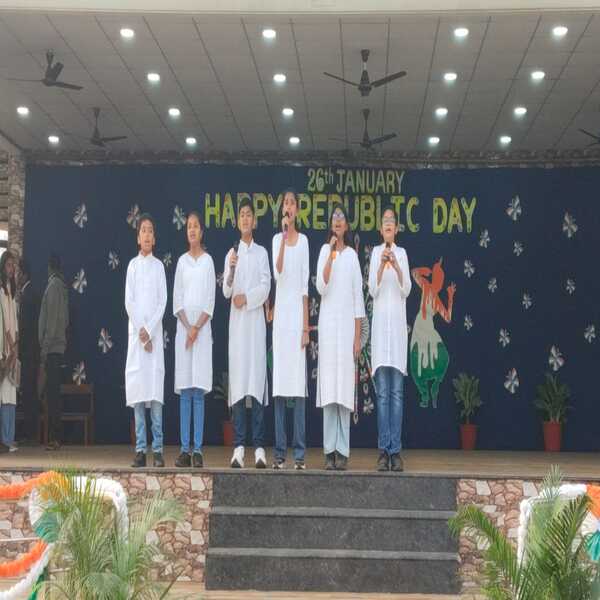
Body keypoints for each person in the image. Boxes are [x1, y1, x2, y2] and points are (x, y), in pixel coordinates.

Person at [316, 203, 365, 470]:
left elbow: (358, 299)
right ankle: (329, 450)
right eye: (333, 217)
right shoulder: (326, 251)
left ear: (346, 225)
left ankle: (342, 450)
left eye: (341, 217)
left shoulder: (353, 258)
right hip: (328, 330)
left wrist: (357, 338)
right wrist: (331, 256)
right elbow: (321, 286)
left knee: (344, 391)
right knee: (329, 390)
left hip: (346, 331)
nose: (337, 221)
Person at [223, 198, 271, 469]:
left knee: (256, 385)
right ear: (237, 220)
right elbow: (226, 291)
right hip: (238, 330)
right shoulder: (232, 253)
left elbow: (266, 287)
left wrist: (247, 298)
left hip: (255, 327)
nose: (245, 218)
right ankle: (239, 447)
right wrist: (231, 269)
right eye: (241, 214)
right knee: (240, 387)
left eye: (248, 214)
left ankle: (259, 447)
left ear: (254, 220)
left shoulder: (261, 253)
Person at [368, 206, 412, 472]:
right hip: (379, 335)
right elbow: (372, 290)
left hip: (396, 335)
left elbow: (406, 289)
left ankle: (396, 451)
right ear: (380, 228)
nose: (388, 224)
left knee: (396, 394)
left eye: (391, 221)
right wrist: (381, 266)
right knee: (383, 394)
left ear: (396, 228)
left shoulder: (402, 254)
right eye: (384, 220)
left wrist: (395, 265)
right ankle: (383, 451)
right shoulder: (375, 253)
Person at [173, 211, 216, 468]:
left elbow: (210, 301)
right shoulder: (181, 262)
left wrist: (196, 328)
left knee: (198, 391)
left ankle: (198, 450)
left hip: (201, 334)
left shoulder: (208, 262)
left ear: (201, 231)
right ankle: (184, 449)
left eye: (195, 226)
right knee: (185, 392)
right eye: (189, 226)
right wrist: (188, 328)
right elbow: (177, 300)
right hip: (184, 333)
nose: (192, 230)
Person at [271, 189, 309, 470]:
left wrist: (306, 326)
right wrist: (284, 237)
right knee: (280, 388)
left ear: (297, 210)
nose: (289, 207)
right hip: (281, 320)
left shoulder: (305, 241)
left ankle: (299, 453)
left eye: (293, 203)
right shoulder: (277, 240)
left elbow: (305, 287)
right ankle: (279, 452)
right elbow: (278, 272)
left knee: (297, 388)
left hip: (297, 319)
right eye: (286, 203)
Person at [125, 214, 167, 468]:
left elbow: (162, 302)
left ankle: (158, 450)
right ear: (138, 237)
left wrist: (149, 331)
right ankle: (141, 449)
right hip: (138, 341)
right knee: (139, 394)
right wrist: (142, 333)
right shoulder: (132, 266)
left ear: (154, 237)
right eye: (143, 230)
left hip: (153, 339)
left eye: (151, 230)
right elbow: (129, 302)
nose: (147, 234)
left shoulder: (159, 267)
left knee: (155, 395)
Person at [38, 253, 69, 451]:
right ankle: (55, 436)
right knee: (53, 394)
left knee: (52, 396)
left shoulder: (53, 287)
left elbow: (51, 323)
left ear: (50, 267)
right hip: (58, 347)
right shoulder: (62, 288)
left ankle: (55, 437)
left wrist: (45, 348)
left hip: (52, 349)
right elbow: (64, 321)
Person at [18, 259, 40, 445]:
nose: (17, 276)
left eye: (19, 272)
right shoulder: (29, 293)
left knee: (29, 392)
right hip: (31, 352)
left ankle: (30, 434)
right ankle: (30, 433)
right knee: (29, 391)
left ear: (24, 274)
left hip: (28, 352)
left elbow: (26, 327)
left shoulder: (28, 295)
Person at [0, 251, 18, 452]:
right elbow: (4, 323)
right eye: (8, 265)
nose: (11, 269)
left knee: (11, 395)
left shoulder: (12, 291)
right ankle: (4, 440)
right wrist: (11, 347)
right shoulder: (1, 291)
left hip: (13, 349)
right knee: (4, 395)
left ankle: (9, 439)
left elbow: (15, 323)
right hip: (5, 350)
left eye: (13, 265)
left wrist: (16, 347)